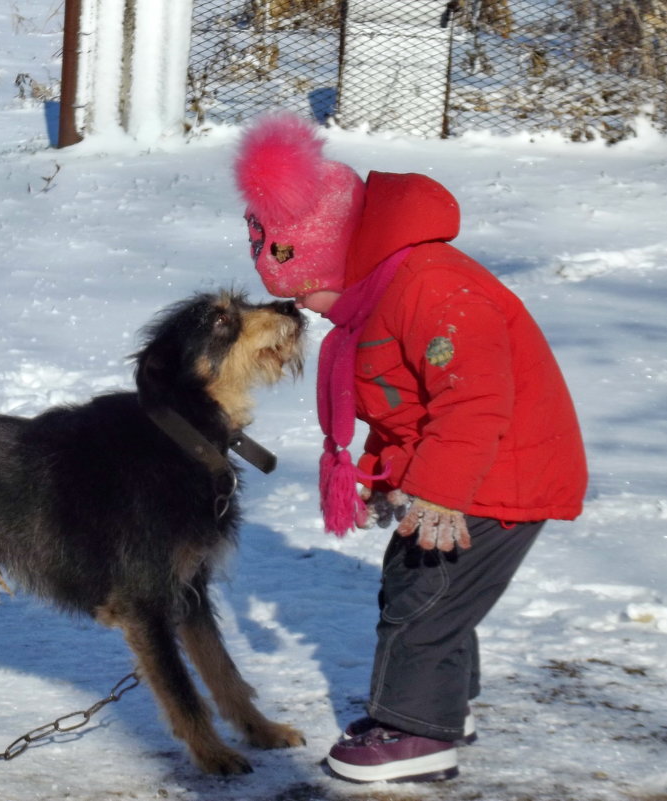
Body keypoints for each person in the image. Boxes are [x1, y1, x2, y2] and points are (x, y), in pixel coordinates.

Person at [233, 112, 587, 784]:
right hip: (471, 469)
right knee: (425, 583)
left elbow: (474, 398)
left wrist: (440, 488)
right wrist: (387, 470)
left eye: (307, 288)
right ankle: (444, 702)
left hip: (497, 473)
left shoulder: (430, 286)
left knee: (424, 597)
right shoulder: (387, 291)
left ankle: (417, 731)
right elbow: (401, 398)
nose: (310, 307)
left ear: (332, 249)